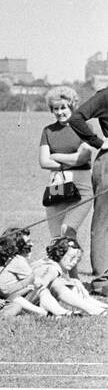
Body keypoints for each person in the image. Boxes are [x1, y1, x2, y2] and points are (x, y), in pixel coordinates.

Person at [68, 83, 108, 296]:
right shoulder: (105, 96)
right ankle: (102, 280)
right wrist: (98, 142)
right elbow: (76, 118)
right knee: (104, 221)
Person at [39, 85, 94, 240]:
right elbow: (44, 162)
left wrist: (55, 156)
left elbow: (82, 158)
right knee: (57, 238)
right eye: (55, 109)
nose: (59, 112)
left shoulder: (85, 127)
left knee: (67, 230)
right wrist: (71, 159)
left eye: (63, 108)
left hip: (81, 187)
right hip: (57, 186)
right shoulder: (48, 131)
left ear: (72, 106)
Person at [34, 236, 107, 316]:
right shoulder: (53, 268)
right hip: (28, 300)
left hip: (33, 297)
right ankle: (91, 309)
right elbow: (40, 285)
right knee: (57, 284)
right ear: (60, 254)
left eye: (77, 259)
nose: (74, 262)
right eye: (72, 257)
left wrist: (71, 282)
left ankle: (99, 307)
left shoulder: (52, 263)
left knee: (73, 283)